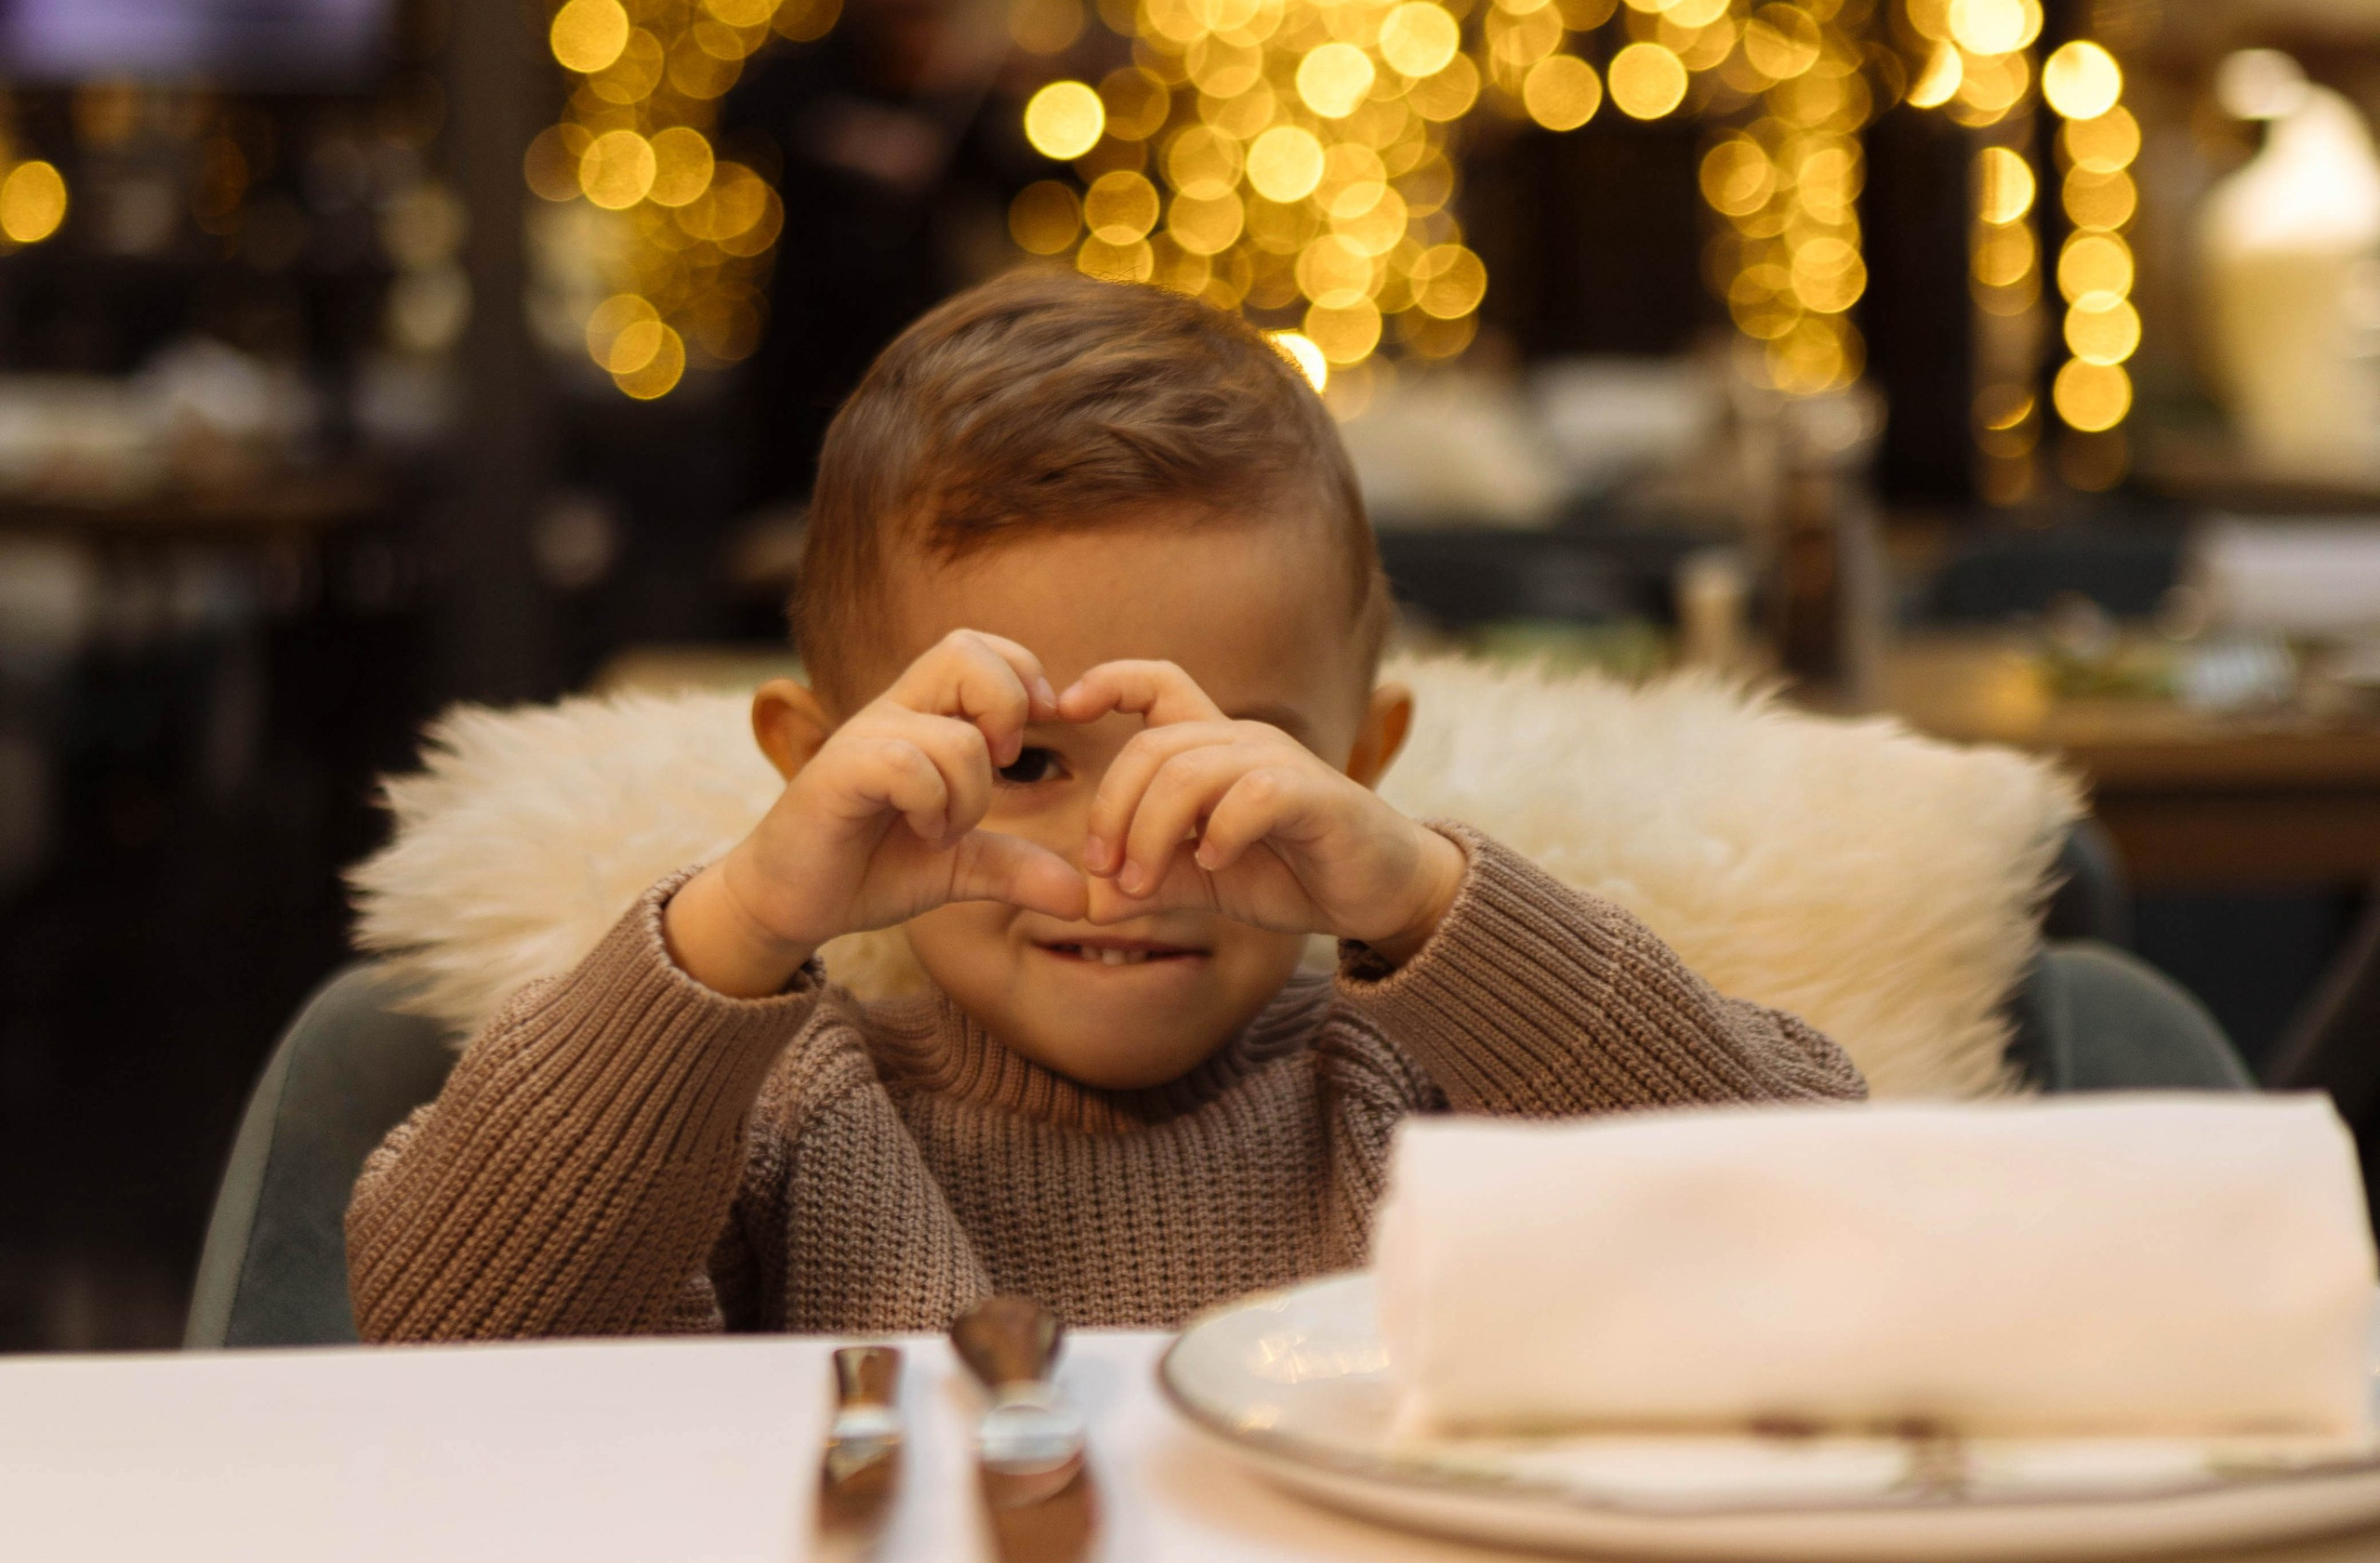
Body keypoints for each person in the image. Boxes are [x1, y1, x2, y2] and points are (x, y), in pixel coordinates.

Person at [350, 281, 1860, 1341]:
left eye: (1223, 766)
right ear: (817, 765)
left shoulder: (1444, 1076)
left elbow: (1820, 1207)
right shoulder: (792, 1114)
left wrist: (1424, 903)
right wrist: (741, 919)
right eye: (1017, 765)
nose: (1118, 855)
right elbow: (446, 1324)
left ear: (1364, 761)